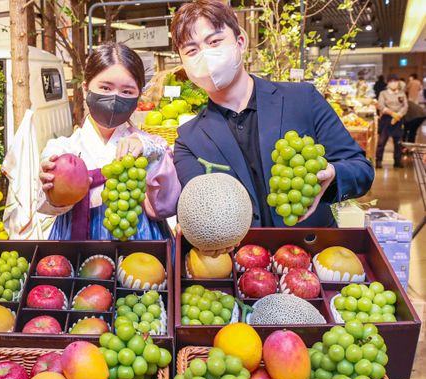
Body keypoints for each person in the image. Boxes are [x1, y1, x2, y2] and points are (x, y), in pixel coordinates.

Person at [171, 0, 374, 247]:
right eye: (192, 50)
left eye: (214, 42)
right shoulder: (189, 140)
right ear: (183, 63)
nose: (205, 55)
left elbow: (361, 170)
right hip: (241, 267)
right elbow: (199, 209)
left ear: (240, 42)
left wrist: (332, 176)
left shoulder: (302, 99)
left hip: (315, 256)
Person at [38, 42, 180, 240]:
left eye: (127, 92)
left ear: (138, 95)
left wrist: (150, 152)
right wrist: (53, 189)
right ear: (86, 88)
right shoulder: (62, 150)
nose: (115, 98)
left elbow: (167, 206)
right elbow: (47, 206)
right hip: (76, 243)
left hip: (139, 243)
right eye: (105, 88)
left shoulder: (151, 146)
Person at [376, 74, 408, 169]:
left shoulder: (402, 93)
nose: (393, 83)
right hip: (386, 119)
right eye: (391, 81)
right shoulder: (383, 93)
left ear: (398, 82)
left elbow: (405, 106)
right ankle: (379, 161)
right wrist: (392, 113)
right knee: (382, 141)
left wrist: (398, 115)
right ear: (388, 83)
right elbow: (381, 105)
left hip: (399, 119)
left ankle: (397, 161)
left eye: (395, 81)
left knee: (398, 142)